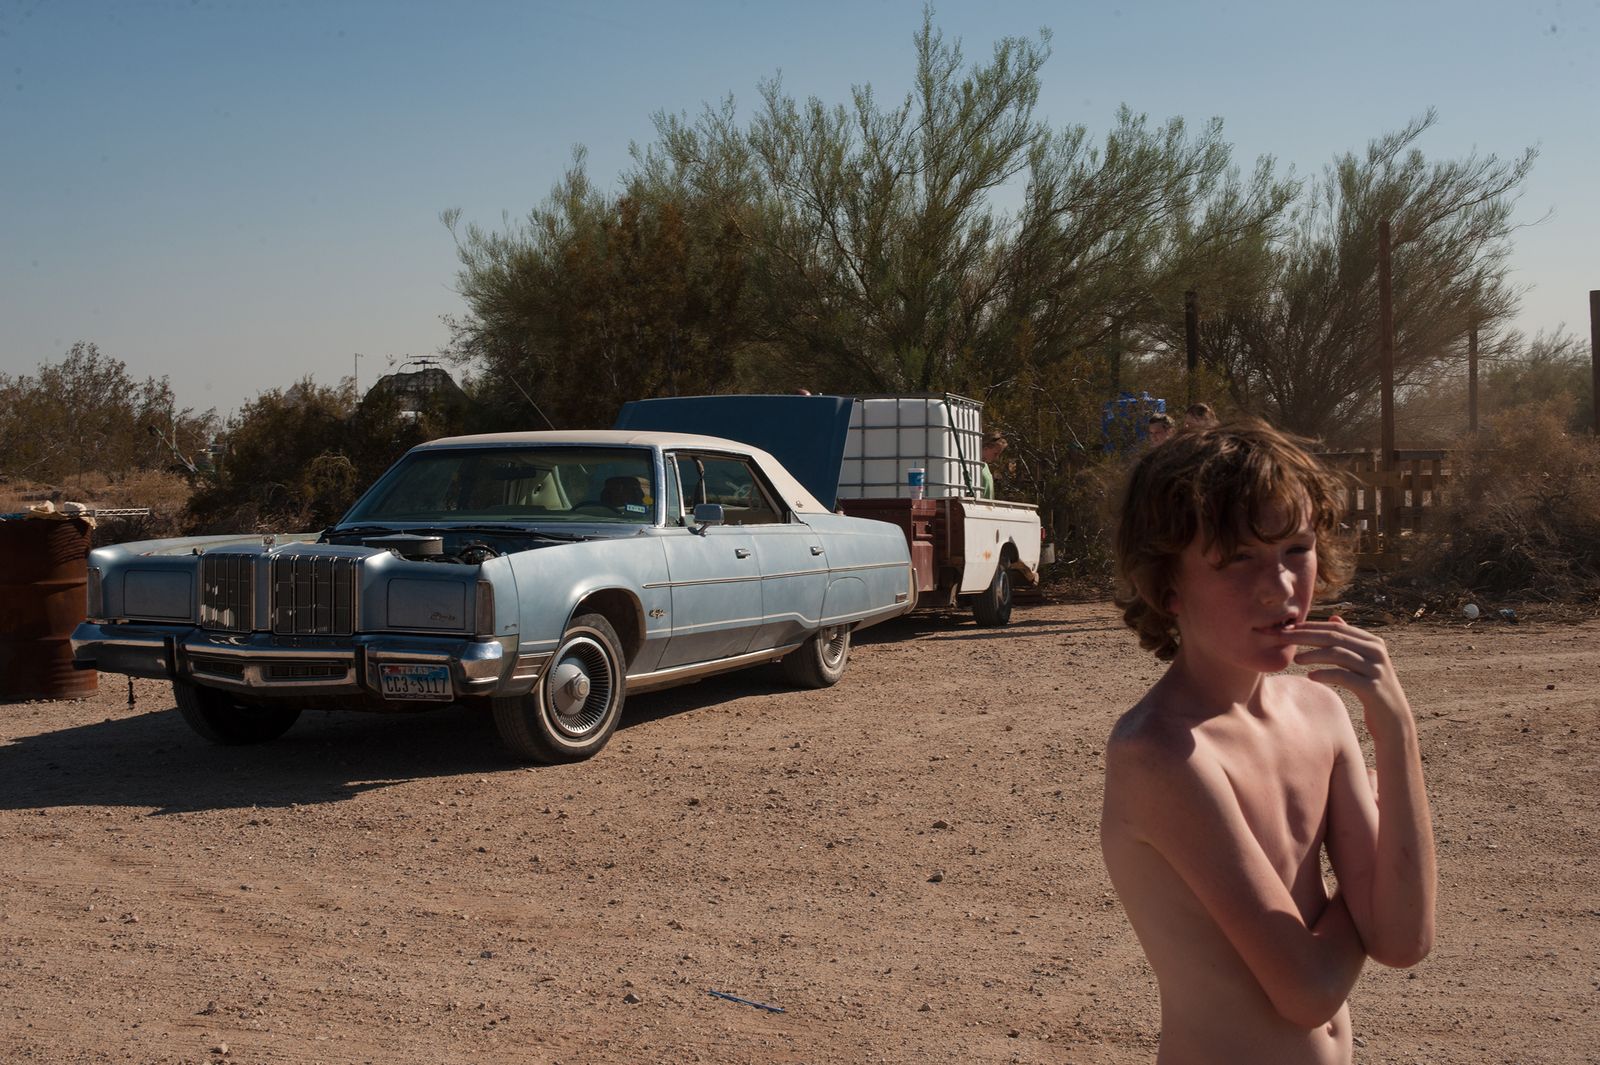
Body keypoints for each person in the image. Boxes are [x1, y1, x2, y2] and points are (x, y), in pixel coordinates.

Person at [1100, 419, 1435, 1064]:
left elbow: (1403, 939)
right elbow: (1307, 991)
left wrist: (1396, 734)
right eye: (1238, 560)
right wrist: (1361, 895)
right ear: (1168, 585)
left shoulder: (1322, 712)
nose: (1281, 588)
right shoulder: (1163, 754)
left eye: (1296, 550)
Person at [979, 429, 1007, 498]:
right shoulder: (973, 466)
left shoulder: (985, 466)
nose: (997, 458)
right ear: (985, 448)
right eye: (995, 454)